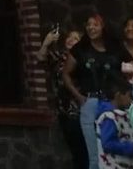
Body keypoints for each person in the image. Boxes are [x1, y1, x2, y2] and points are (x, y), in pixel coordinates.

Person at [64, 15, 133, 169]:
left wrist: (127, 90)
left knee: (116, 146)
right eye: (88, 24)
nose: (91, 28)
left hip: (114, 102)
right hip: (91, 102)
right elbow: (66, 74)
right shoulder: (80, 49)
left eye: (95, 24)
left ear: (104, 27)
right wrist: (78, 96)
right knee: (95, 154)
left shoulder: (115, 47)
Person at [36, 26, 88, 169]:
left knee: (83, 147)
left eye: (76, 38)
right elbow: (40, 58)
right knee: (73, 146)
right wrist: (46, 43)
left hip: (79, 106)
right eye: (69, 37)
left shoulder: (84, 58)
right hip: (63, 107)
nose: (71, 39)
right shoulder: (59, 57)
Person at [95, 75, 133, 169]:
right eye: (129, 96)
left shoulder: (121, 114)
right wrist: (132, 148)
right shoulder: (109, 117)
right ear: (118, 95)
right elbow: (108, 144)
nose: (131, 100)